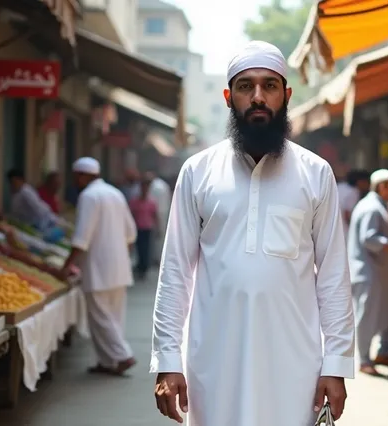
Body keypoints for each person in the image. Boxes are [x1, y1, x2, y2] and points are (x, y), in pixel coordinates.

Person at [151, 40, 355, 426]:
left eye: (269, 86)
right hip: (213, 361)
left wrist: (337, 363)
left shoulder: (315, 173)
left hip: (296, 363)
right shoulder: (198, 172)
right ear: (229, 97)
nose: (258, 97)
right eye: (246, 86)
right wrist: (167, 359)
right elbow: (175, 271)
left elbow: (333, 276)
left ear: (286, 95)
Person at [60, 157, 137, 376]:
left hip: (98, 268)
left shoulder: (88, 196)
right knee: (114, 317)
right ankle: (108, 361)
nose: (75, 181)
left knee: (101, 318)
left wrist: (67, 265)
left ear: (83, 175)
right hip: (119, 267)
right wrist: (121, 257)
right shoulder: (115, 193)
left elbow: (81, 238)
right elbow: (131, 233)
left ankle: (122, 356)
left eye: (76, 177)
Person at [348, 169, 388, 376]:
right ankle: (364, 359)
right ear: (382, 187)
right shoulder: (372, 208)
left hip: (379, 272)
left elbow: (380, 232)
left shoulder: (376, 206)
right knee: (367, 317)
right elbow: (370, 238)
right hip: (369, 272)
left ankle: (384, 353)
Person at [6, 169, 71, 232]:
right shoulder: (18, 192)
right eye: (11, 182)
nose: (12, 184)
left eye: (14, 182)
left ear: (20, 180)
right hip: (32, 223)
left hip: (42, 222)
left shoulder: (25, 191)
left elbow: (38, 207)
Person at [128, 177, 158, 280]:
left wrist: (157, 227)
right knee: (139, 248)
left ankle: (144, 267)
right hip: (138, 228)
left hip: (147, 228)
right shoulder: (135, 201)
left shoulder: (151, 202)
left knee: (146, 248)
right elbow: (131, 214)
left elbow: (155, 215)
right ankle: (140, 265)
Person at [144, 171, 171, 262]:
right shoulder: (162, 185)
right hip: (164, 212)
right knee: (161, 236)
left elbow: (152, 201)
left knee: (157, 236)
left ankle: (157, 258)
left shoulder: (155, 186)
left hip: (158, 213)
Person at [338, 169, 370, 234]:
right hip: (344, 231)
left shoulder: (340, 186)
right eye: (367, 182)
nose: (368, 186)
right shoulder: (353, 192)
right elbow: (347, 214)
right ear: (360, 181)